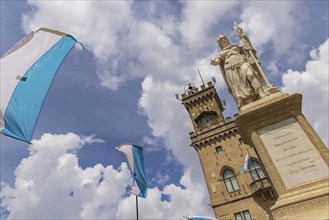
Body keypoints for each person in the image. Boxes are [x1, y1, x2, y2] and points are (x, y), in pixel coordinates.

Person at [211, 29, 266, 110]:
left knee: (250, 74)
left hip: (242, 63)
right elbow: (218, 61)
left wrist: (242, 36)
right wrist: (214, 62)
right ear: (220, 44)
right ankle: (248, 101)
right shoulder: (221, 54)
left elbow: (248, 47)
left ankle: (261, 93)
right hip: (230, 69)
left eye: (224, 38)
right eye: (221, 41)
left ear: (227, 39)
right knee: (240, 87)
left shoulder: (236, 47)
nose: (223, 40)